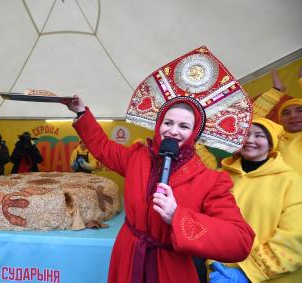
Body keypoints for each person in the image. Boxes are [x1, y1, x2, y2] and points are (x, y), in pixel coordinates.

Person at [63, 95, 255, 283]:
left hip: (170, 268)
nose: (173, 131)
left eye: (184, 126)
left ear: (195, 133)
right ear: (158, 125)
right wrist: (81, 113)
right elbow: (103, 147)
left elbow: (240, 241)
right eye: (168, 123)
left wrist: (178, 217)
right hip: (129, 255)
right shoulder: (137, 157)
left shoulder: (211, 180)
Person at [210, 118, 302, 282]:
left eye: (259, 135)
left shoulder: (291, 181)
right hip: (216, 272)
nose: (250, 140)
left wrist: (248, 272)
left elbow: (295, 238)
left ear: (271, 143)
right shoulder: (219, 176)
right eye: (246, 134)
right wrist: (209, 262)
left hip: (268, 277)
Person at [277, 98, 302, 174]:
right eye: (286, 113)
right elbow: (246, 126)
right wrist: (275, 92)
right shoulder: (274, 138)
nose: (293, 116)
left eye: (300, 111)